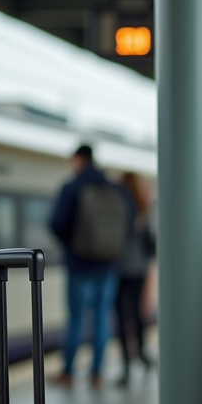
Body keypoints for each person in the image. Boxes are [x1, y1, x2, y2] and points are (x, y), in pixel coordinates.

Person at [49, 144, 134, 389]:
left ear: (78, 160)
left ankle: (69, 372)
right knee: (101, 319)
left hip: (79, 264)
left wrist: (75, 245)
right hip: (108, 266)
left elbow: (56, 223)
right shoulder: (117, 189)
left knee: (76, 319)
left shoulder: (72, 187)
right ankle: (97, 373)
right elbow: (129, 224)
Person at [115, 171, 156, 386]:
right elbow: (151, 241)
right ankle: (142, 354)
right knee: (138, 314)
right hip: (139, 268)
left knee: (122, 317)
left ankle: (126, 365)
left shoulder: (118, 205)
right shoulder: (143, 207)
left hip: (118, 268)